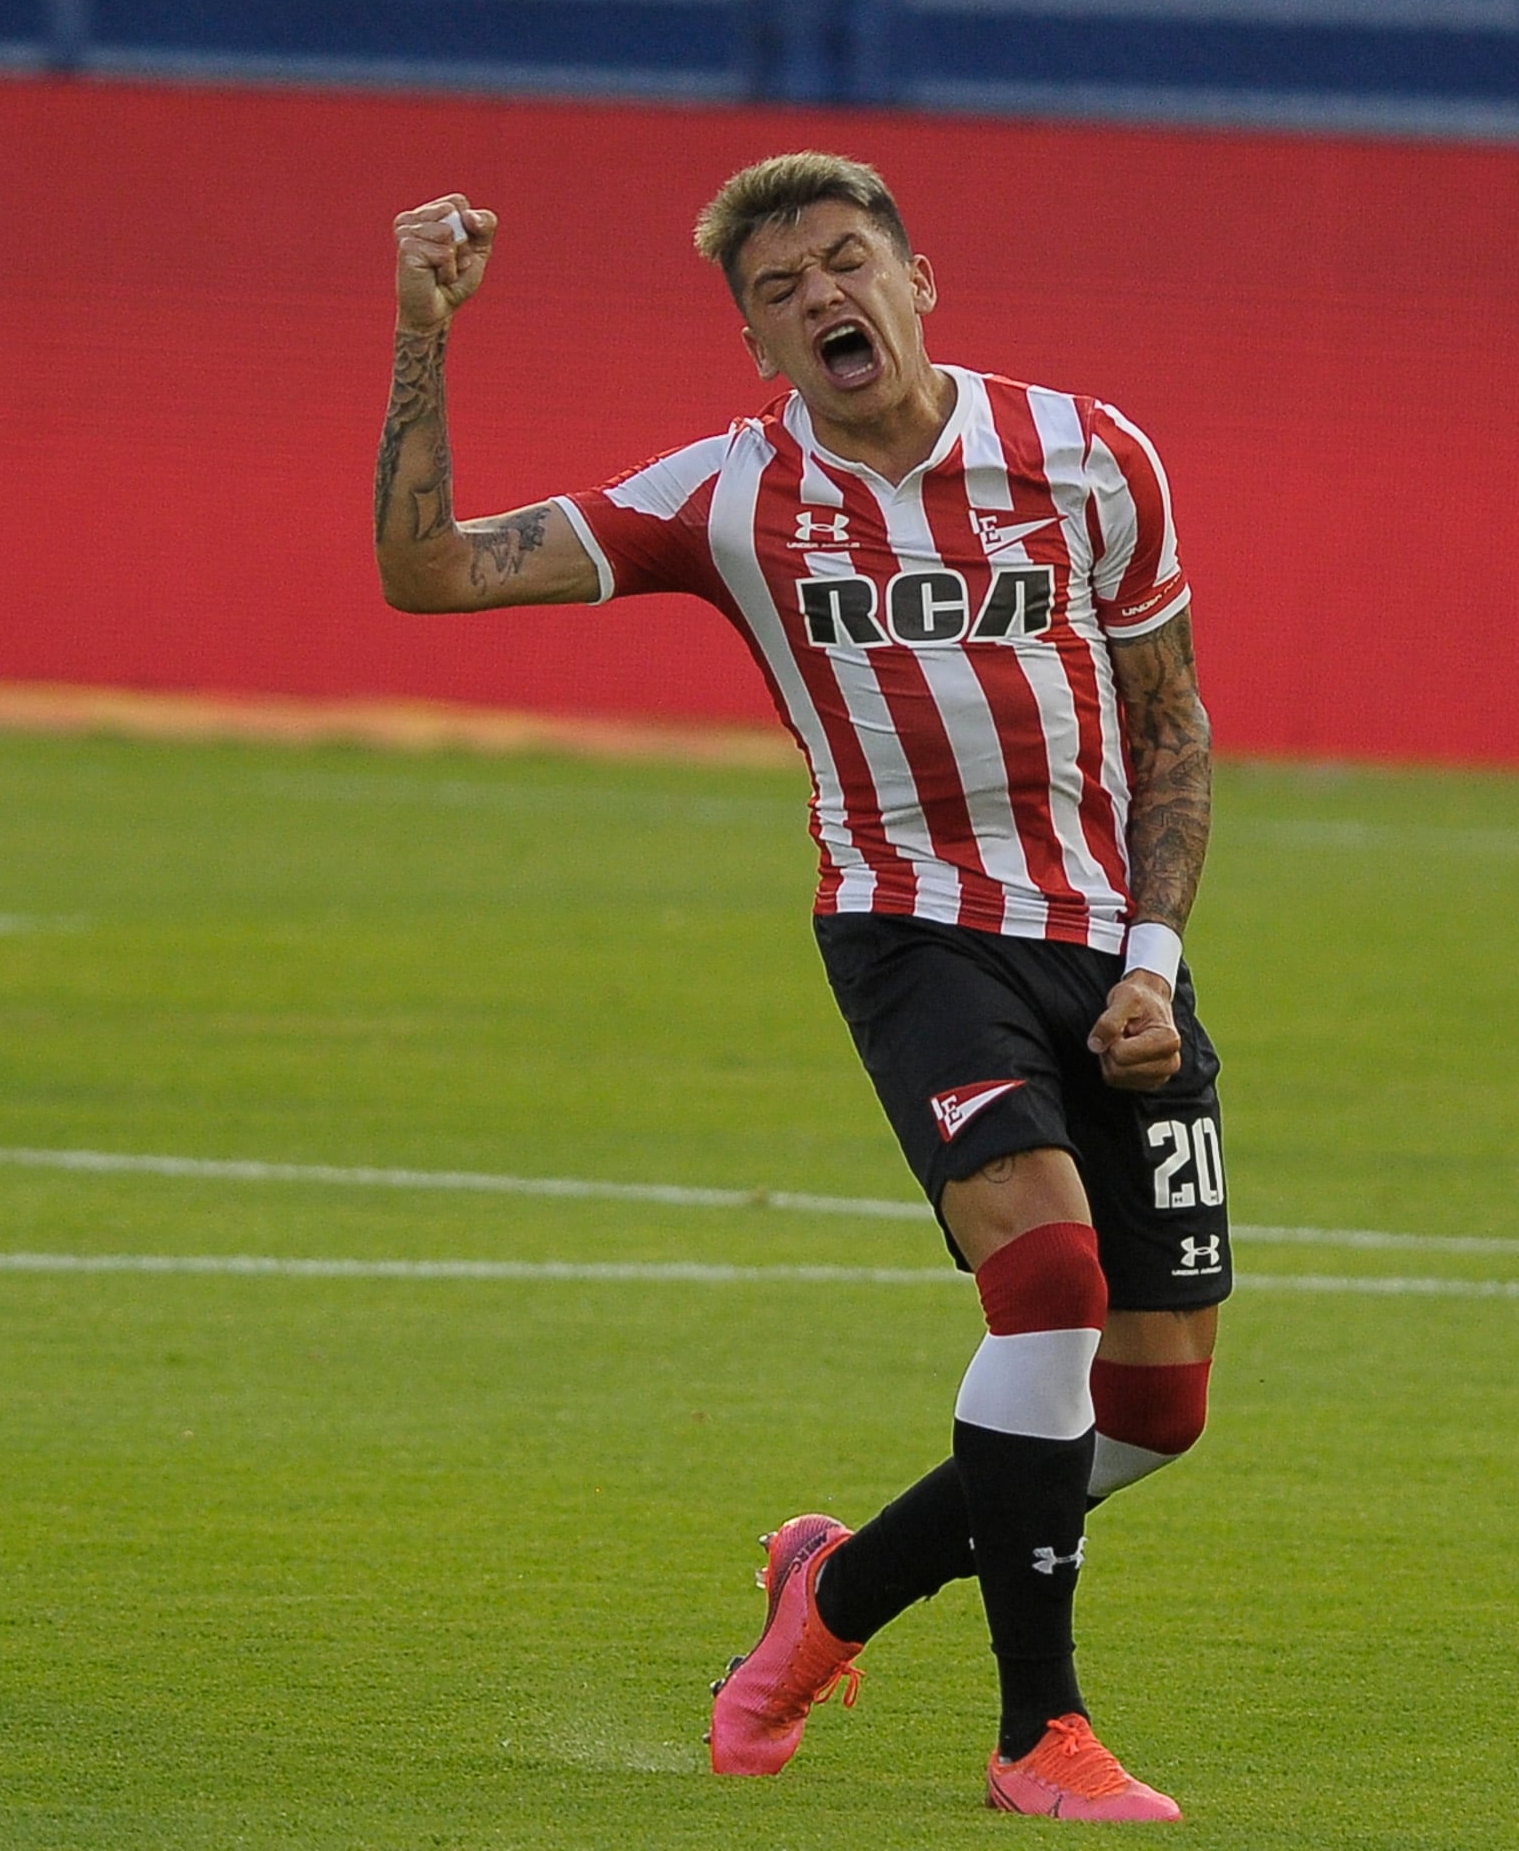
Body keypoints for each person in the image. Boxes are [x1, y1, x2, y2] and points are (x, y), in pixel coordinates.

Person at [372, 153, 1226, 1822]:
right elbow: (434, 572)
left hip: (1105, 947)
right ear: (759, 344)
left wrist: (1154, 965)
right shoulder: (726, 496)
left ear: (921, 283)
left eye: (849, 263)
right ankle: (1035, 1734)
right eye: (781, 289)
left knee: (1149, 1405)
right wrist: (423, 336)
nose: (825, 297)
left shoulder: (1091, 455)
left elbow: (1171, 721)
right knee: (1045, 1276)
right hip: (908, 930)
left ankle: (827, 1598)